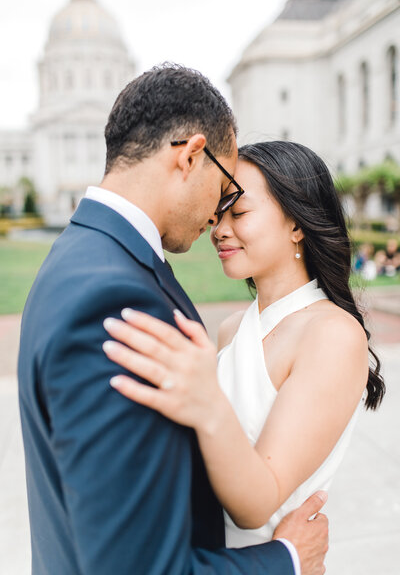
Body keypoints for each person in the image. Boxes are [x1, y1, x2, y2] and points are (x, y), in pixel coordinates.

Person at [18, 66, 328, 575]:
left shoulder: (75, 255)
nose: (216, 217)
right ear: (189, 156)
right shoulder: (115, 299)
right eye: (224, 187)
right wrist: (287, 560)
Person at [102, 141, 386, 555]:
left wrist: (201, 398)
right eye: (218, 215)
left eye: (239, 212)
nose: (218, 230)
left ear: (297, 224)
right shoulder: (233, 330)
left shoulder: (332, 334)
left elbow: (254, 507)